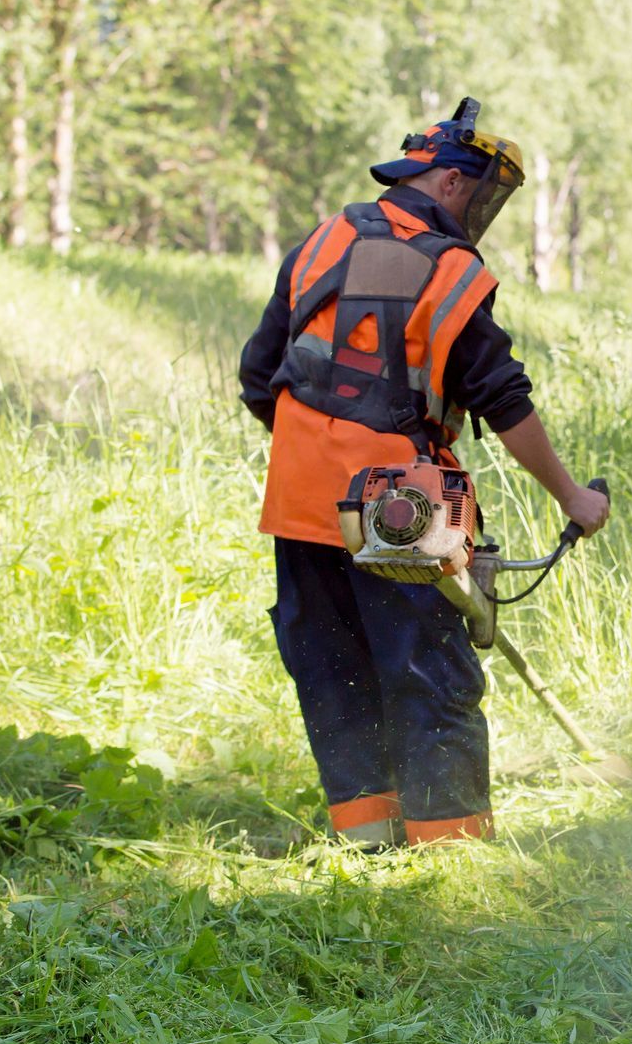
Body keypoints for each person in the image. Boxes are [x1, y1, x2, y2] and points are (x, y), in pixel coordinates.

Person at [238, 98, 609, 850]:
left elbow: (258, 378)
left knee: (334, 673)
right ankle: (449, 860)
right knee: (429, 677)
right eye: (482, 194)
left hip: (299, 500)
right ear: (447, 181)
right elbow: (502, 398)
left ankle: (367, 845)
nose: (482, 211)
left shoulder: (323, 240)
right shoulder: (450, 270)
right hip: (396, 512)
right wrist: (573, 498)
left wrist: (323, 449)